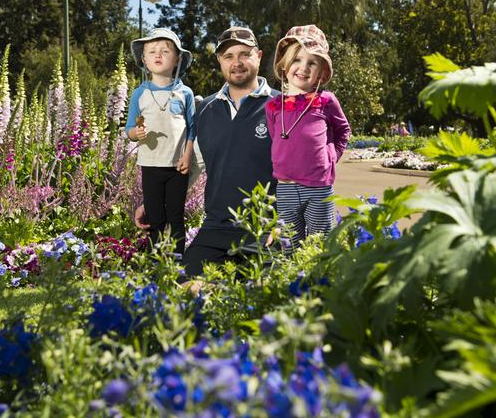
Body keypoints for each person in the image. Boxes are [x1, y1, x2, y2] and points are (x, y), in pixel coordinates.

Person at [135, 26, 280, 278]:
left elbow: (297, 175)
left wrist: (283, 224)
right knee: (179, 288)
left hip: (264, 231)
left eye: (244, 54)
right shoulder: (206, 110)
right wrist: (155, 200)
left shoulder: (280, 106)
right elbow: (191, 166)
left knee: (255, 298)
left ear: (258, 55)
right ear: (220, 62)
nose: (237, 63)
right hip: (215, 230)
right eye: (228, 56)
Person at [265, 25, 351, 247]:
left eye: (312, 62)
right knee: (289, 244)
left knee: (318, 245)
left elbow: (343, 130)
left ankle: (317, 282)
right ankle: (291, 283)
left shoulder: (326, 100)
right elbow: (278, 139)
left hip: (318, 186)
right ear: (284, 65)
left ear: (321, 72)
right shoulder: (274, 106)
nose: (303, 68)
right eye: (297, 60)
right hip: (285, 188)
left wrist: (331, 156)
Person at [125, 28, 196, 256]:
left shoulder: (185, 93)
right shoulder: (139, 94)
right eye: (152, 51)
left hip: (177, 167)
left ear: (177, 59)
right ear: (144, 60)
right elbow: (129, 129)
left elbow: (192, 130)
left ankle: (177, 261)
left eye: (165, 51)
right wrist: (137, 133)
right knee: (155, 217)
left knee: (175, 216)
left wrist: (187, 155)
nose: (158, 55)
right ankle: (157, 262)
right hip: (150, 164)